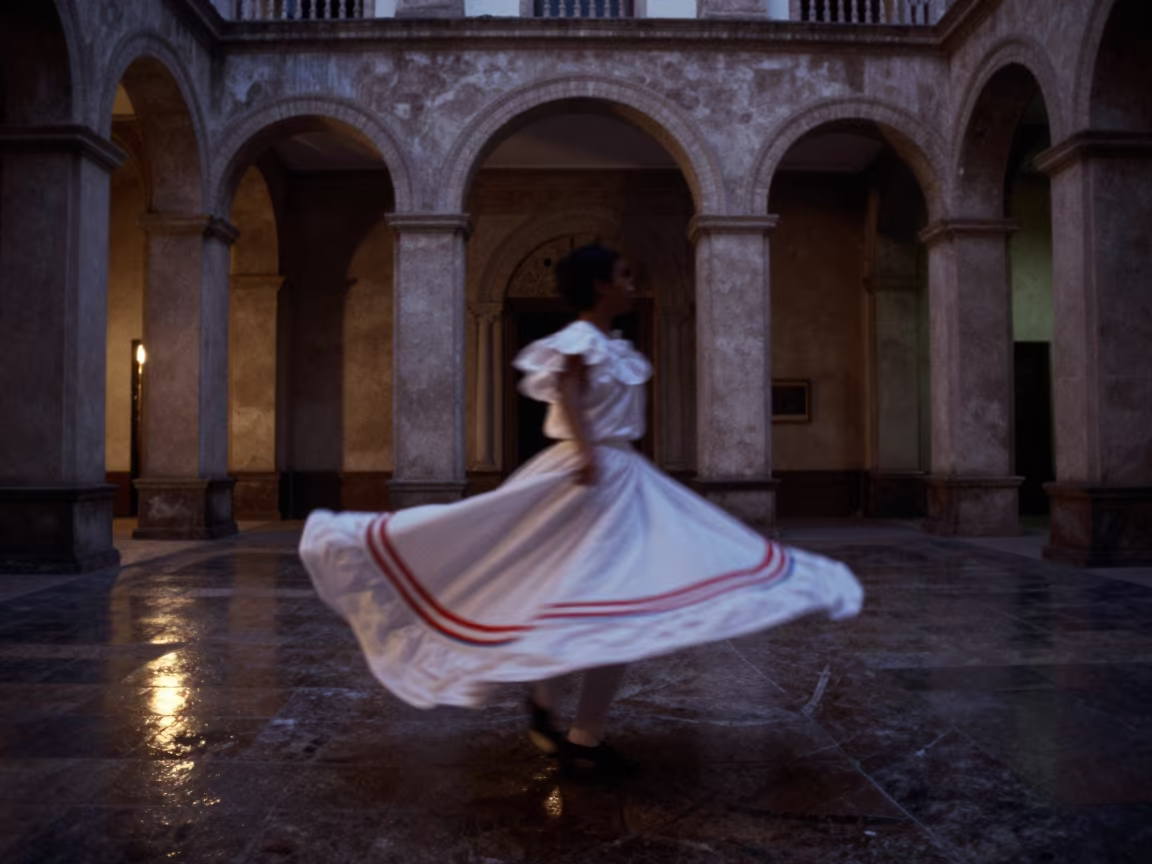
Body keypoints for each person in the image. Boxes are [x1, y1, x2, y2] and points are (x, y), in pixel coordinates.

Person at [298, 244, 863, 777]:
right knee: (601, 604)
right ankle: (576, 731)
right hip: (592, 475)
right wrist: (590, 452)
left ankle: (558, 712)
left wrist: (599, 453)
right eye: (622, 275)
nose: (630, 283)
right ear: (599, 285)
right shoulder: (578, 340)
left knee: (599, 602)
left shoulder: (614, 346)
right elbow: (566, 393)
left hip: (620, 474)